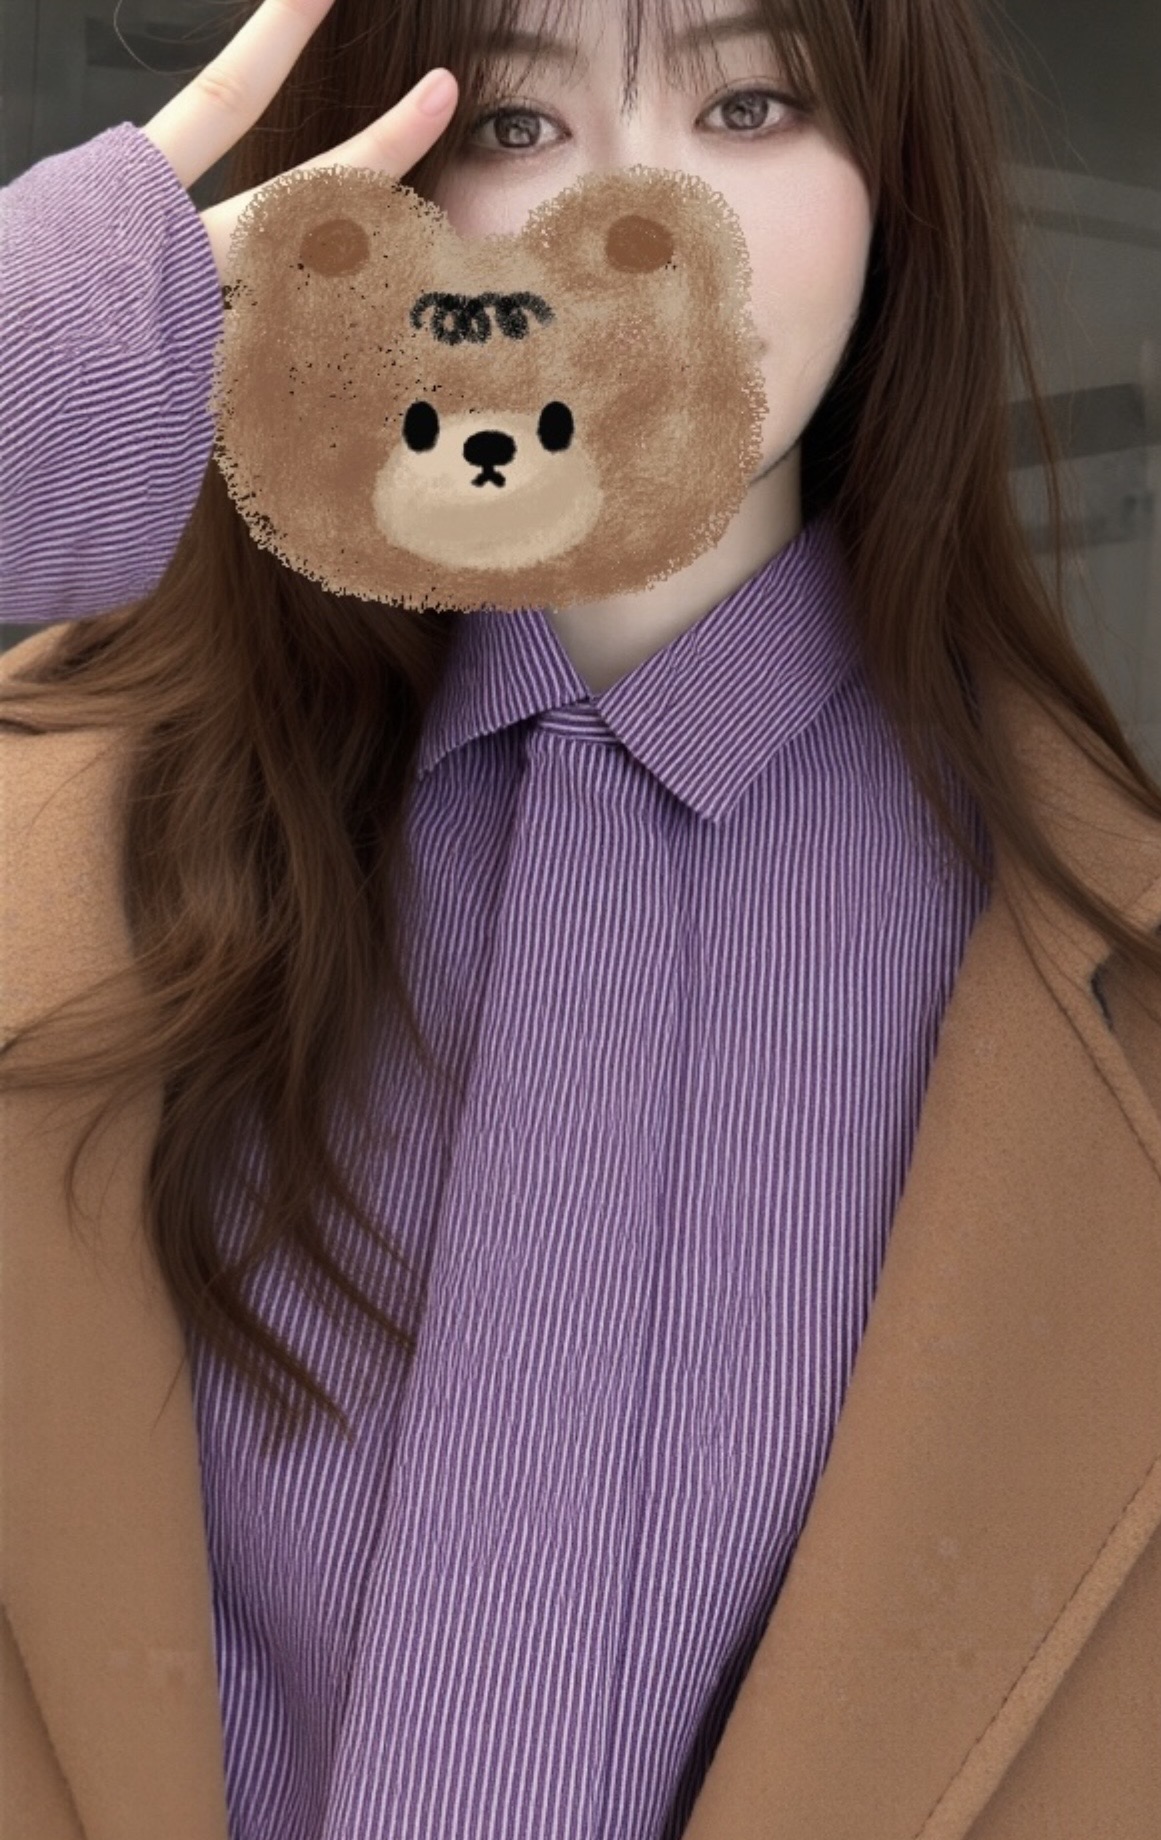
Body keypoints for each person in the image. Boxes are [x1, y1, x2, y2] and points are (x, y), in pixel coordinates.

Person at [2, 2, 1161, 1838]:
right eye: (515, 124)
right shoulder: (61, 844)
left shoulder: (1095, 990)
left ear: (900, 181)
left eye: (750, 103)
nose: (635, 225)